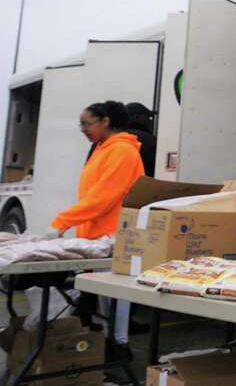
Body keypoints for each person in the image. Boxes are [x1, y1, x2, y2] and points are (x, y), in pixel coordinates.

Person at [47, 100, 145, 369]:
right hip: (96, 239)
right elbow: (93, 196)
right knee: (104, 301)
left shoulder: (123, 152)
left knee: (116, 298)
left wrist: (62, 221)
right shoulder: (102, 150)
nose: (82, 129)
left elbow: (103, 198)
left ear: (105, 121)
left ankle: (119, 350)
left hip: (115, 238)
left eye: (86, 123)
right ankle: (107, 350)